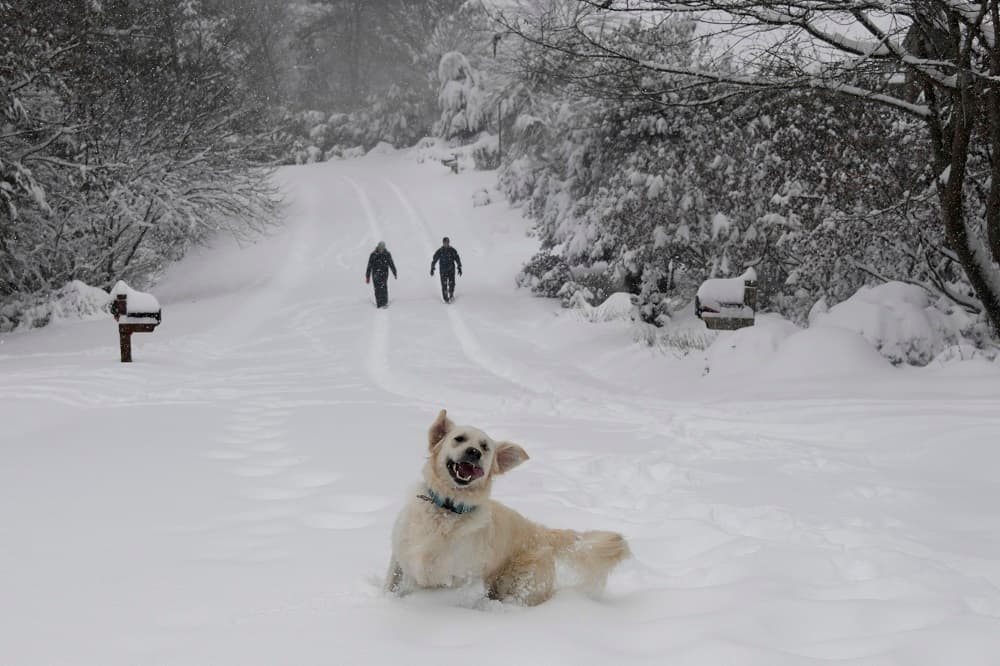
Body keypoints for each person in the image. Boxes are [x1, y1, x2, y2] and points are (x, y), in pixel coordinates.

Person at [430, 237, 462, 303]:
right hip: (443, 271)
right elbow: (434, 259)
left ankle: (451, 295)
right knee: (444, 285)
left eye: (447, 242)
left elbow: (457, 258)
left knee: (452, 283)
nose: (446, 244)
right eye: (445, 243)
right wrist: (432, 268)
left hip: (451, 270)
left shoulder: (452, 250)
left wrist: (459, 267)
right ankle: (445, 298)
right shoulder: (440, 251)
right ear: (443, 243)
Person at [366, 241, 397, 308]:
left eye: (382, 247)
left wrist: (394, 272)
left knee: (384, 287)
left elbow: (391, 264)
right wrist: (367, 276)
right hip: (375, 274)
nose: (381, 249)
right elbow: (369, 266)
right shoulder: (373, 255)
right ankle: (379, 303)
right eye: (380, 247)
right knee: (377, 289)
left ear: (384, 247)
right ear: (378, 247)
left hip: (384, 274)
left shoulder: (387, 254)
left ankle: (385, 302)